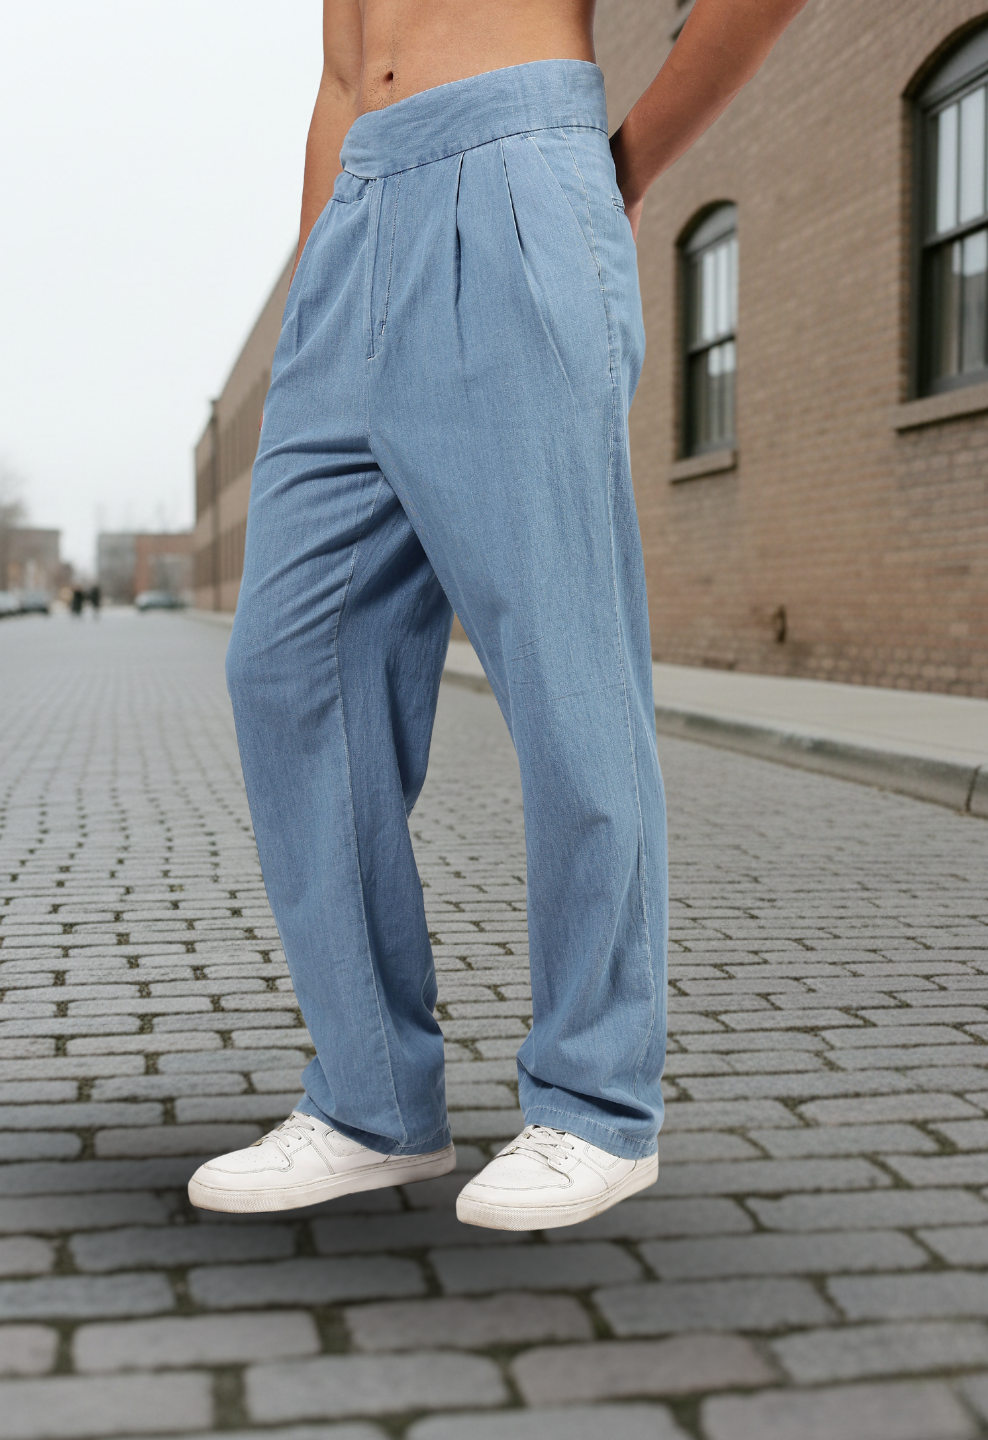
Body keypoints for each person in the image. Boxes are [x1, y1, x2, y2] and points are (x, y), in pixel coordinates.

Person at [189, 0, 809, 1229]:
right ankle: (372, 1102)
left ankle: (595, 1104)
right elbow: (335, 71)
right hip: (355, 220)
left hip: (519, 163)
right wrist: (321, 287)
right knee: (288, 668)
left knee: (563, 670)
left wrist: (607, 158)